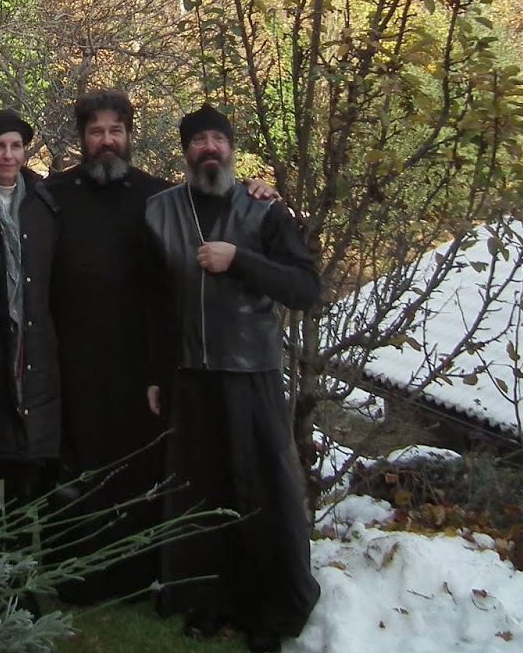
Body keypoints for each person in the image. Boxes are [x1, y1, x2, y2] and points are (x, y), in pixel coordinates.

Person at [143, 104, 321, 652]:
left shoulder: (264, 209)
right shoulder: (160, 211)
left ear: (231, 148)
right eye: (199, 140)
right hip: (191, 375)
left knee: (262, 491)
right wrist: (156, 373)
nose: (209, 148)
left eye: (218, 139)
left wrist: (239, 259)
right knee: (201, 494)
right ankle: (207, 600)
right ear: (185, 151)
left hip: (252, 373)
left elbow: (305, 289)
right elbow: (154, 302)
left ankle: (268, 611)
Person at [44, 89, 170, 602]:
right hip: (70, 356)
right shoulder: (53, 194)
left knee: (135, 467)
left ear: (129, 135)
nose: (106, 141)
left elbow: (169, 287)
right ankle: (72, 577)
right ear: (82, 138)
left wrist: (256, 188)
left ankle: (134, 576)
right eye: (96, 132)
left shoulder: (158, 197)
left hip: (135, 359)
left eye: (116, 130)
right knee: (75, 466)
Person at [0, 109, 61, 519]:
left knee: (28, 481)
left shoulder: (43, 200)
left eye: (16, 146)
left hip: (34, 345)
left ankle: (24, 556)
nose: (9, 155)